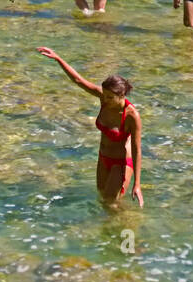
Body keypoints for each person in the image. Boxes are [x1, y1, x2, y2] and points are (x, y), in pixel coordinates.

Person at [37, 48, 143, 206]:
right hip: (103, 158)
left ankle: (130, 223)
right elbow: (78, 81)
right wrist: (58, 58)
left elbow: (136, 149)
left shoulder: (131, 116)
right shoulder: (104, 97)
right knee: (103, 199)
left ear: (121, 95)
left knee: (110, 203)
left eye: (109, 97)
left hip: (120, 163)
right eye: (104, 95)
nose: (104, 99)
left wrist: (137, 184)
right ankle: (118, 223)